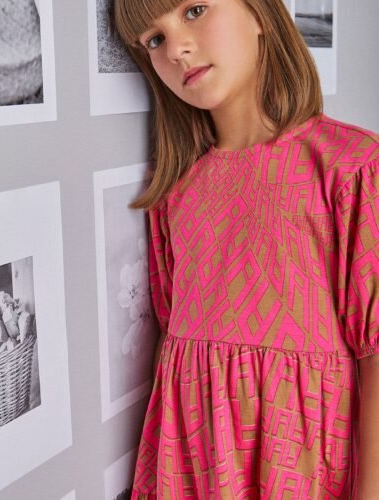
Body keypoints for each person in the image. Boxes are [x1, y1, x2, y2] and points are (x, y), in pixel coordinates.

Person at [113, 0, 378, 498]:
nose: (177, 49)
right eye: (154, 40)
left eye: (193, 11)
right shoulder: (174, 190)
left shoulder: (351, 167)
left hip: (303, 468)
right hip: (191, 467)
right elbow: (175, 349)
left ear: (259, 12)